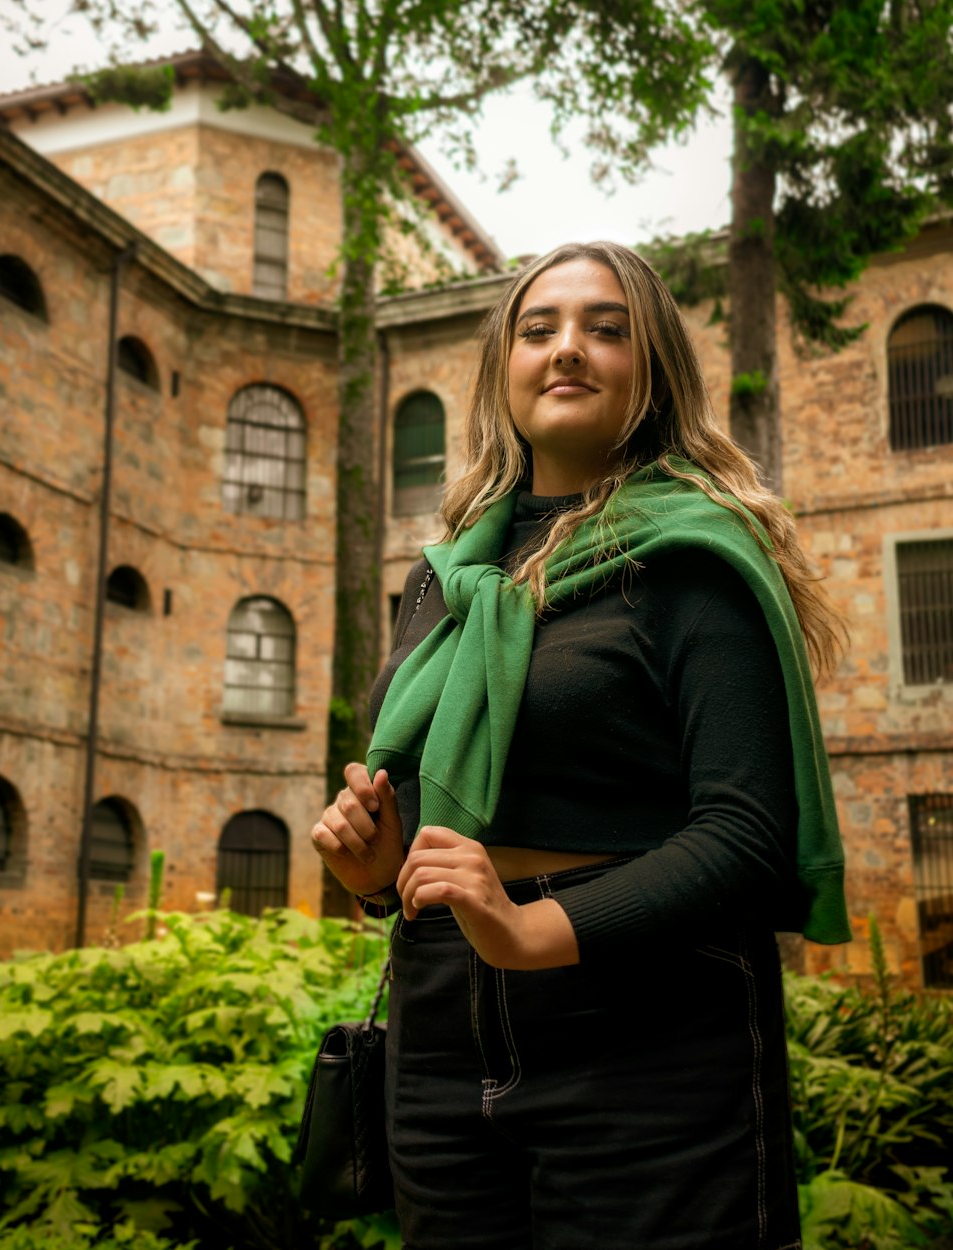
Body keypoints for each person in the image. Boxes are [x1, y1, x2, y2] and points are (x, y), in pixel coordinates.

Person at [311, 241, 851, 1250]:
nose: (568, 349)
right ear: (501, 367)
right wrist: (380, 870)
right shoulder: (445, 576)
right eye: (538, 328)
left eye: (606, 329)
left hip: (643, 1030)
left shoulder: (692, 555)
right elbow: (439, 815)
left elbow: (742, 834)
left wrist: (523, 931)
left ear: (652, 373)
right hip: (439, 1021)